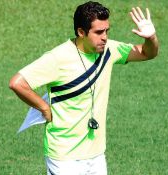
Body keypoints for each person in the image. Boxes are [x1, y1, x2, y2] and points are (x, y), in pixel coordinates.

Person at [9, 1, 158, 174]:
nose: (104, 37)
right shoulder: (58, 58)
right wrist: (43, 107)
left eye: (107, 31)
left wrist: (150, 37)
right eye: (98, 32)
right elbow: (17, 83)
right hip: (64, 157)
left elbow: (148, 53)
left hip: (96, 155)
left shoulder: (109, 50)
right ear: (81, 32)